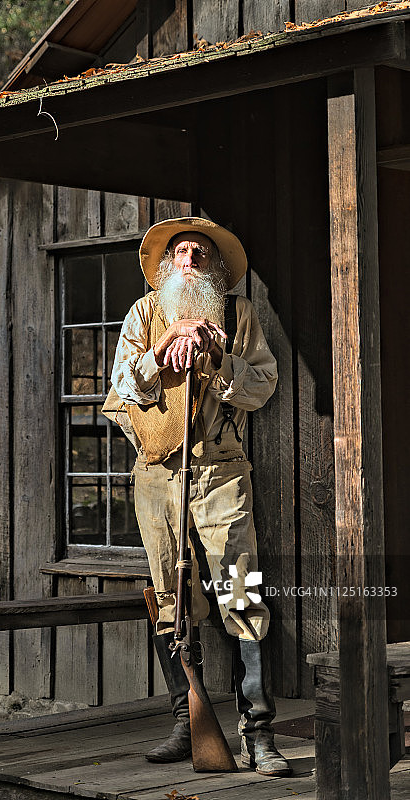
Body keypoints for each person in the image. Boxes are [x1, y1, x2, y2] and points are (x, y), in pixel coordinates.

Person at [102, 217, 291, 777]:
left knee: (241, 589)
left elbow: (263, 385)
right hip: (157, 473)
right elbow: (122, 386)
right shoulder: (144, 313)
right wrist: (160, 354)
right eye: (181, 252)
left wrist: (219, 360)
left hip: (220, 469)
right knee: (171, 595)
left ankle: (258, 734)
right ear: (167, 265)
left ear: (216, 269)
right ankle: (187, 723)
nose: (190, 260)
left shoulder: (238, 315)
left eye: (200, 253)